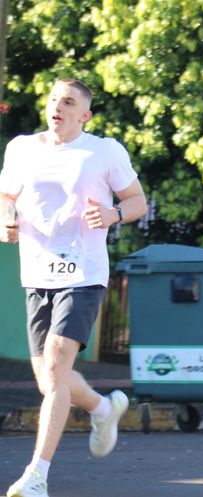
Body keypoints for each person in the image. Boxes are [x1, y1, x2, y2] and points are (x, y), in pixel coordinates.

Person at [1, 78, 146, 497]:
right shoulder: (22, 149)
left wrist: (114, 214)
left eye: (68, 102)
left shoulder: (104, 151)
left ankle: (37, 475)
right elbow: (5, 196)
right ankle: (103, 407)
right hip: (36, 273)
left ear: (85, 115)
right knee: (50, 380)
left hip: (82, 273)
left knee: (56, 365)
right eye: (53, 99)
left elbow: (136, 200)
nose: (58, 107)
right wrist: (5, 221)